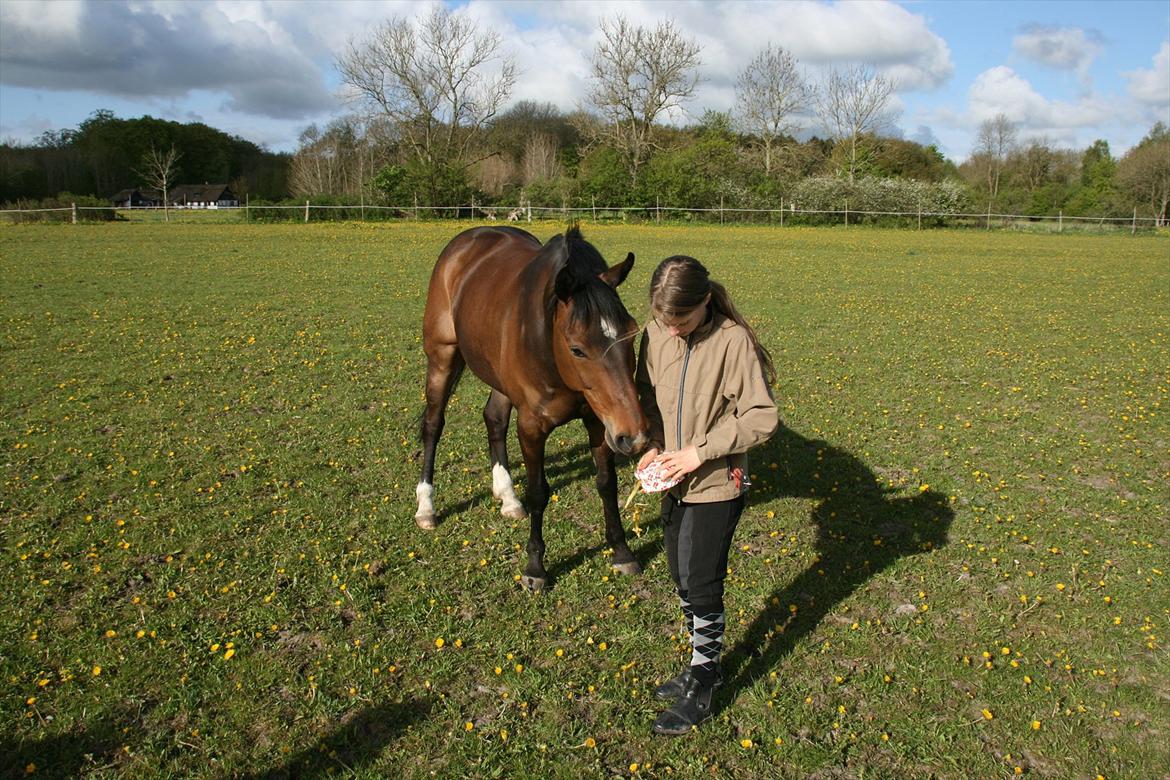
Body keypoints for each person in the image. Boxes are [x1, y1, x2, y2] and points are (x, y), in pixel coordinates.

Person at [635, 255, 778, 736]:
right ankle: (701, 658)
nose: (673, 331)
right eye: (665, 320)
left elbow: (761, 417)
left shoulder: (731, 340)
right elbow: (646, 398)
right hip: (671, 480)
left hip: (717, 483)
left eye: (684, 321)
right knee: (679, 576)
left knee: (701, 582)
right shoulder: (656, 333)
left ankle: (704, 681)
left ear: (706, 303)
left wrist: (700, 452)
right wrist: (652, 444)